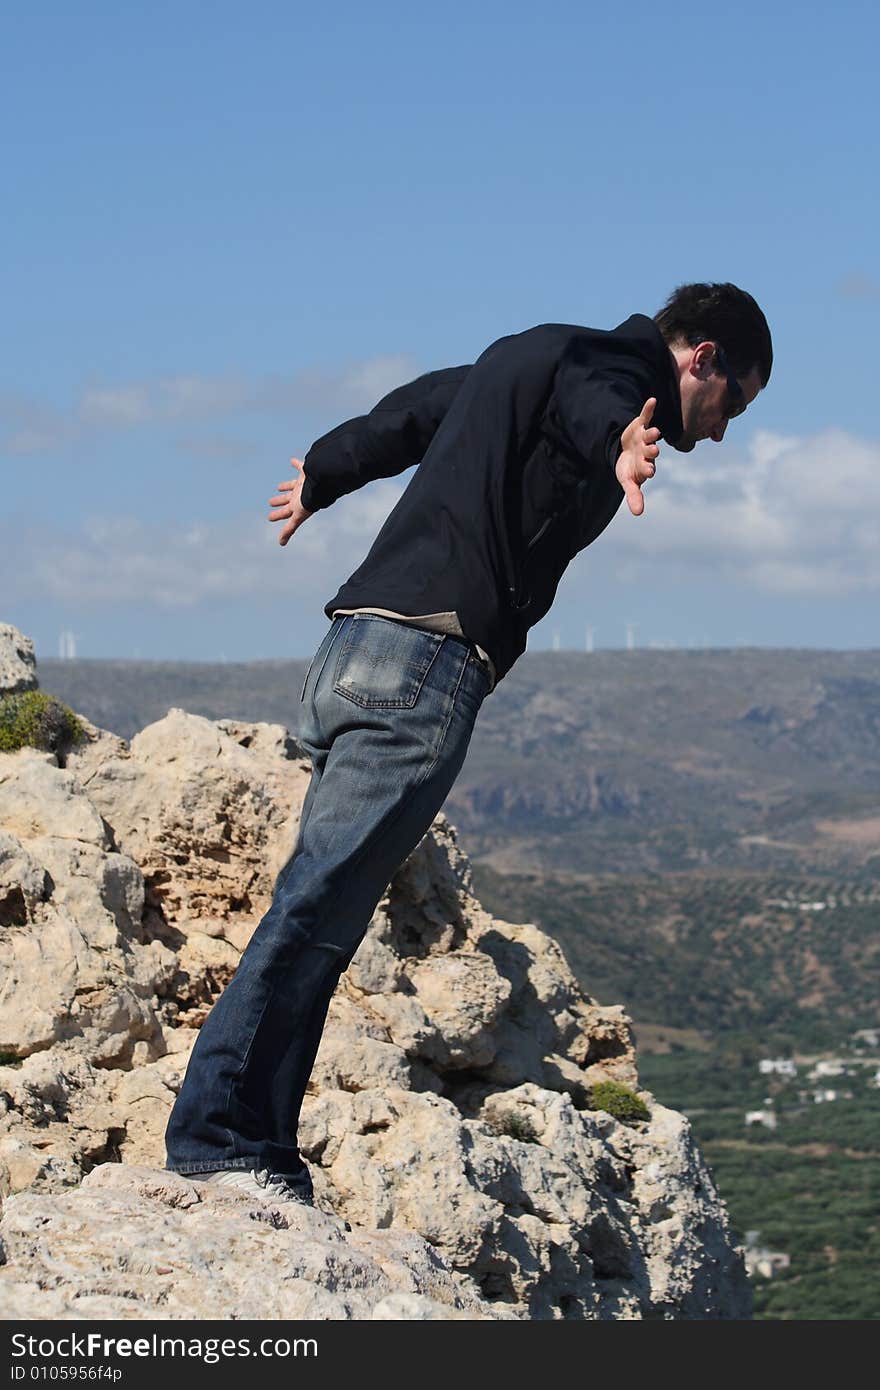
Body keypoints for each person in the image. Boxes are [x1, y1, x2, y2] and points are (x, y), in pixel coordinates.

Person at [164, 281, 772, 1204]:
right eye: (735, 402)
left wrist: (325, 472)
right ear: (703, 358)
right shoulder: (616, 373)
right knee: (313, 914)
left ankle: (258, 1144)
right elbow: (601, 403)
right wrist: (624, 445)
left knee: (319, 914)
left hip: (352, 646)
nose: (724, 430)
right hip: (426, 659)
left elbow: (411, 413)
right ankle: (217, 1137)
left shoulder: (524, 355)